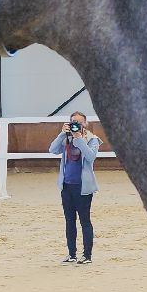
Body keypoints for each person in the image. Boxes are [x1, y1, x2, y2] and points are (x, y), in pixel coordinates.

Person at [49, 111, 101, 264]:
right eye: (73, 121)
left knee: (85, 221)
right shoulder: (66, 138)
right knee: (69, 221)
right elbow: (52, 150)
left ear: (85, 123)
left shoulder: (92, 139)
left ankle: (87, 255)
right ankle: (72, 254)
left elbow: (91, 157)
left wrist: (79, 138)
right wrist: (61, 134)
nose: (76, 124)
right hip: (66, 186)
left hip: (83, 187)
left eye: (79, 122)